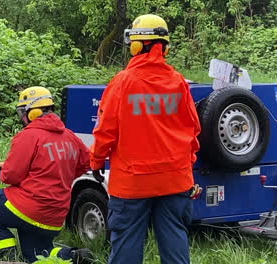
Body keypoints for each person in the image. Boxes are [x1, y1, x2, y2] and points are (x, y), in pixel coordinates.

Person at [89, 14, 202, 264]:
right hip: (175, 178)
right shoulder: (178, 82)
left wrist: (96, 163)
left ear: (137, 45)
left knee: (127, 240)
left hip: (133, 182)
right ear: (165, 46)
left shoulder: (122, 83)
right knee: (175, 237)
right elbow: (193, 128)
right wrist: (186, 164)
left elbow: (105, 131)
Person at [0, 86, 94, 264]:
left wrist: (2, 171)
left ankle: (7, 258)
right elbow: (84, 164)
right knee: (37, 256)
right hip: (55, 214)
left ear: (33, 112)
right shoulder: (70, 136)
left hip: (30, 207)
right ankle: (75, 257)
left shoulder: (29, 136)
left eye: (23, 111)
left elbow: (11, 176)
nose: (22, 117)